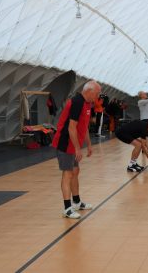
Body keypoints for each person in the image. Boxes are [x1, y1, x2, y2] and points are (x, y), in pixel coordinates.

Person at [52, 80, 101, 219]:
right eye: (97, 93)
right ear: (89, 91)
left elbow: (83, 125)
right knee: (67, 174)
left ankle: (77, 202)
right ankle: (67, 208)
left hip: (73, 145)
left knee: (75, 171)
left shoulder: (87, 103)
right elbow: (71, 127)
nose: (97, 96)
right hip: (65, 143)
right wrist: (78, 149)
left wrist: (89, 144)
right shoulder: (77, 102)